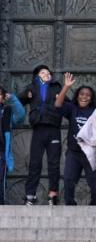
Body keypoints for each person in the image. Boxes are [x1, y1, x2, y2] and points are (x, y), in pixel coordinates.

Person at [18, 65, 63, 205]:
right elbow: (19, 100)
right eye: (43, 72)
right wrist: (26, 95)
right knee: (35, 163)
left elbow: (66, 103)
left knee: (54, 163)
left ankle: (53, 194)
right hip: (38, 128)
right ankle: (30, 195)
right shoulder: (32, 87)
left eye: (48, 72)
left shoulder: (56, 87)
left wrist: (60, 97)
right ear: (37, 76)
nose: (46, 74)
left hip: (54, 128)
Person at [54, 73, 96, 205]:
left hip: (91, 153)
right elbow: (57, 104)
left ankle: (95, 205)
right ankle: (70, 205)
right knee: (68, 179)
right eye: (81, 94)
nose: (84, 97)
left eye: (87, 95)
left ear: (91, 98)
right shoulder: (72, 108)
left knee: (95, 182)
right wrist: (66, 87)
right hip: (74, 152)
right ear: (77, 96)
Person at [0, 87, 25, 205]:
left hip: (1, 152)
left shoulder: (7, 111)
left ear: (3, 98)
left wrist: (13, 99)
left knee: (0, 180)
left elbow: (20, 116)